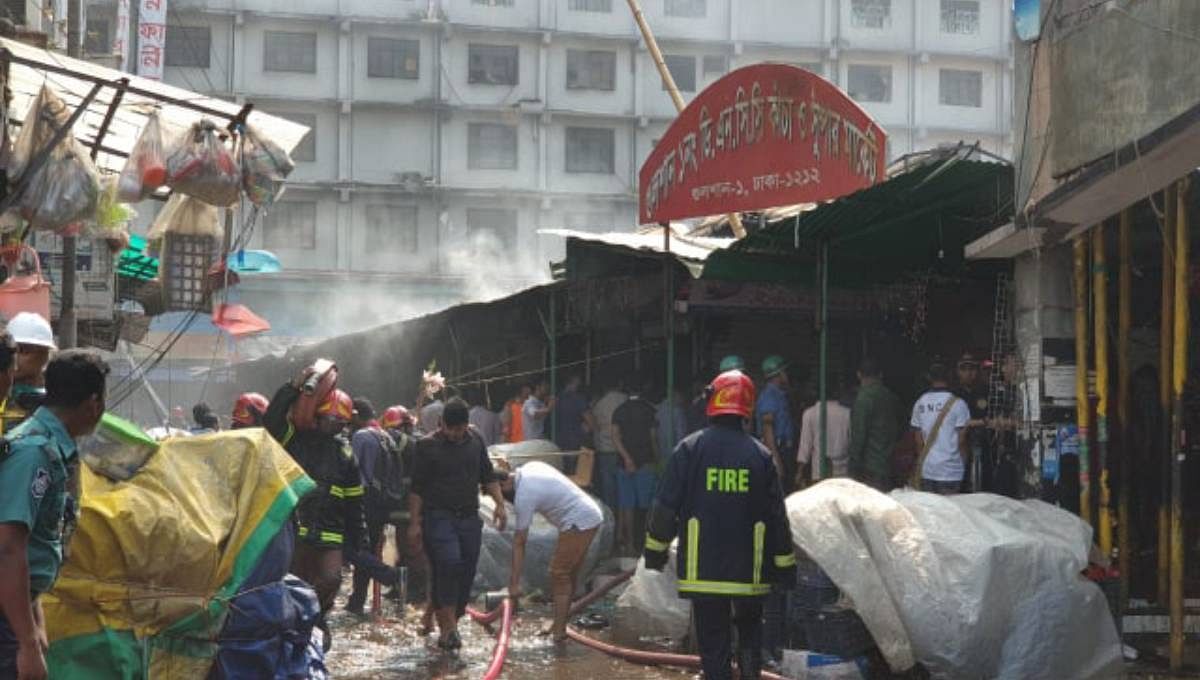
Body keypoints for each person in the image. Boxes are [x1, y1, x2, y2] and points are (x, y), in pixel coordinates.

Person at [643, 369, 795, 680]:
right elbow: (777, 517)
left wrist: (654, 553)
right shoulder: (761, 456)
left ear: (714, 401)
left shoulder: (689, 449)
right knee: (751, 635)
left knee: (714, 646)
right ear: (747, 406)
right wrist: (784, 568)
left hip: (704, 572)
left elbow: (664, 508)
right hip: (749, 573)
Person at [0, 350, 108, 679]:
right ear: (94, 403)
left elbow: (32, 546)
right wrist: (27, 644)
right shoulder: (34, 452)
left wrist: (35, 622)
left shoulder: (50, 448)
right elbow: (7, 549)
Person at [263, 378, 367, 649]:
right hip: (293, 529)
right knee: (294, 585)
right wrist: (293, 388)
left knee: (331, 579)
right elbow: (272, 420)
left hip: (329, 530)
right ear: (315, 414)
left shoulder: (344, 452)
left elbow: (355, 499)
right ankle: (295, 633)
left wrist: (360, 539)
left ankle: (318, 617)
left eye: (338, 422)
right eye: (328, 419)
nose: (333, 426)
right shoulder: (292, 439)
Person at [407, 397, 507, 651]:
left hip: (469, 517)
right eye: (449, 429)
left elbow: (487, 474)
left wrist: (500, 505)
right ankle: (449, 628)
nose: (454, 434)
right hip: (438, 516)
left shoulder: (476, 441)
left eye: (459, 429)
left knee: (466, 569)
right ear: (441, 424)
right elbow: (417, 488)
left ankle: (442, 615)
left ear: (466, 425)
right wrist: (415, 523)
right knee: (448, 563)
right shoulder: (427, 446)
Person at [497, 461, 603, 642]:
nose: (500, 499)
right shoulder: (530, 467)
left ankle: (559, 631)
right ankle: (559, 624)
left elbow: (520, 542)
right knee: (568, 575)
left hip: (579, 520)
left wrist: (513, 584)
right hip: (588, 514)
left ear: (504, 484)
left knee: (559, 573)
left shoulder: (524, 495)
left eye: (497, 494)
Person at [345, 398, 403, 616]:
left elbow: (355, 471)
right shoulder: (385, 435)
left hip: (363, 500)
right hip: (381, 502)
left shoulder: (361, 437)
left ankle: (390, 575)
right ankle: (357, 601)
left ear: (357, 415)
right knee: (366, 551)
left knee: (349, 548)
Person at [611, 383, 658, 555]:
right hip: (646, 463)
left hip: (624, 465)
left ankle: (630, 544)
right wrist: (657, 459)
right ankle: (646, 543)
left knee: (627, 505)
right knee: (646, 507)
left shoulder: (619, 410)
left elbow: (615, 437)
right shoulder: (650, 409)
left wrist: (627, 458)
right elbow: (653, 438)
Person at [911, 362, 972, 495]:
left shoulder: (920, 403)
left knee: (931, 512)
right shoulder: (959, 404)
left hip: (928, 470)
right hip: (951, 471)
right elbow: (961, 441)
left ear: (929, 378)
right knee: (949, 513)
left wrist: (923, 463)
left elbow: (918, 441)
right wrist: (964, 463)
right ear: (950, 377)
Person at [846, 357, 902, 492]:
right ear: (880, 375)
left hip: (870, 467)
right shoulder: (891, 397)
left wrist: (852, 468)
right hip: (889, 463)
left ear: (858, 375)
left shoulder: (863, 399)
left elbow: (858, 436)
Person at [1, 313, 56, 434]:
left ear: (46, 355)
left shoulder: (57, 404)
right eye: (12, 350)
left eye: (24, 351)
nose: (15, 358)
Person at [795, 381, 853, 487]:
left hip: (819, 473)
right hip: (843, 473)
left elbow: (805, 447)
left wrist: (800, 472)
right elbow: (852, 443)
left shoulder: (809, 414)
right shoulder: (847, 413)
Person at [589, 379, 627, 518]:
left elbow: (595, 425)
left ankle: (610, 515)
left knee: (608, 485)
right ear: (619, 384)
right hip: (624, 448)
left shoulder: (599, 404)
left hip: (605, 448)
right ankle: (624, 516)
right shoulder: (625, 399)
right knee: (624, 486)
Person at [755, 355, 795, 483]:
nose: (787, 375)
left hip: (783, 450)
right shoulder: (770, 396)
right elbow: (768, 429)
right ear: (778, 375)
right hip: (777, 450)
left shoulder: (780, 395)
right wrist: (776, 460)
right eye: (784, 371)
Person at [553, 375, 589, 457]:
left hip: (558, 440)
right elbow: (589, 419)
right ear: (573, 382)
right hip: (575, 439)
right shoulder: (578, 398)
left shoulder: (555, 398)